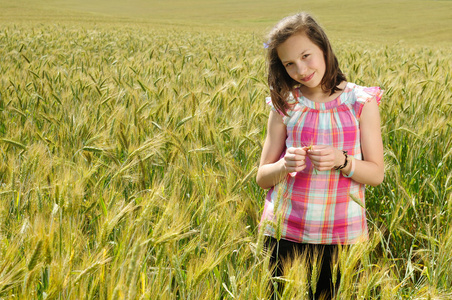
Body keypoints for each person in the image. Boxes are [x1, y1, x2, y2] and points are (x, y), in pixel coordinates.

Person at [256, 12, 384, 299]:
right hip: (283, 235)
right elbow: (262, 178)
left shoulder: (361, 102)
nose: (301, 69)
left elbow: (376, 174)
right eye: (289, 63)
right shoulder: (285, 104)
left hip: (342, 241)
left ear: (324, 48)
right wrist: (283, 165)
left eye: (306, 56)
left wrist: (343, 160)